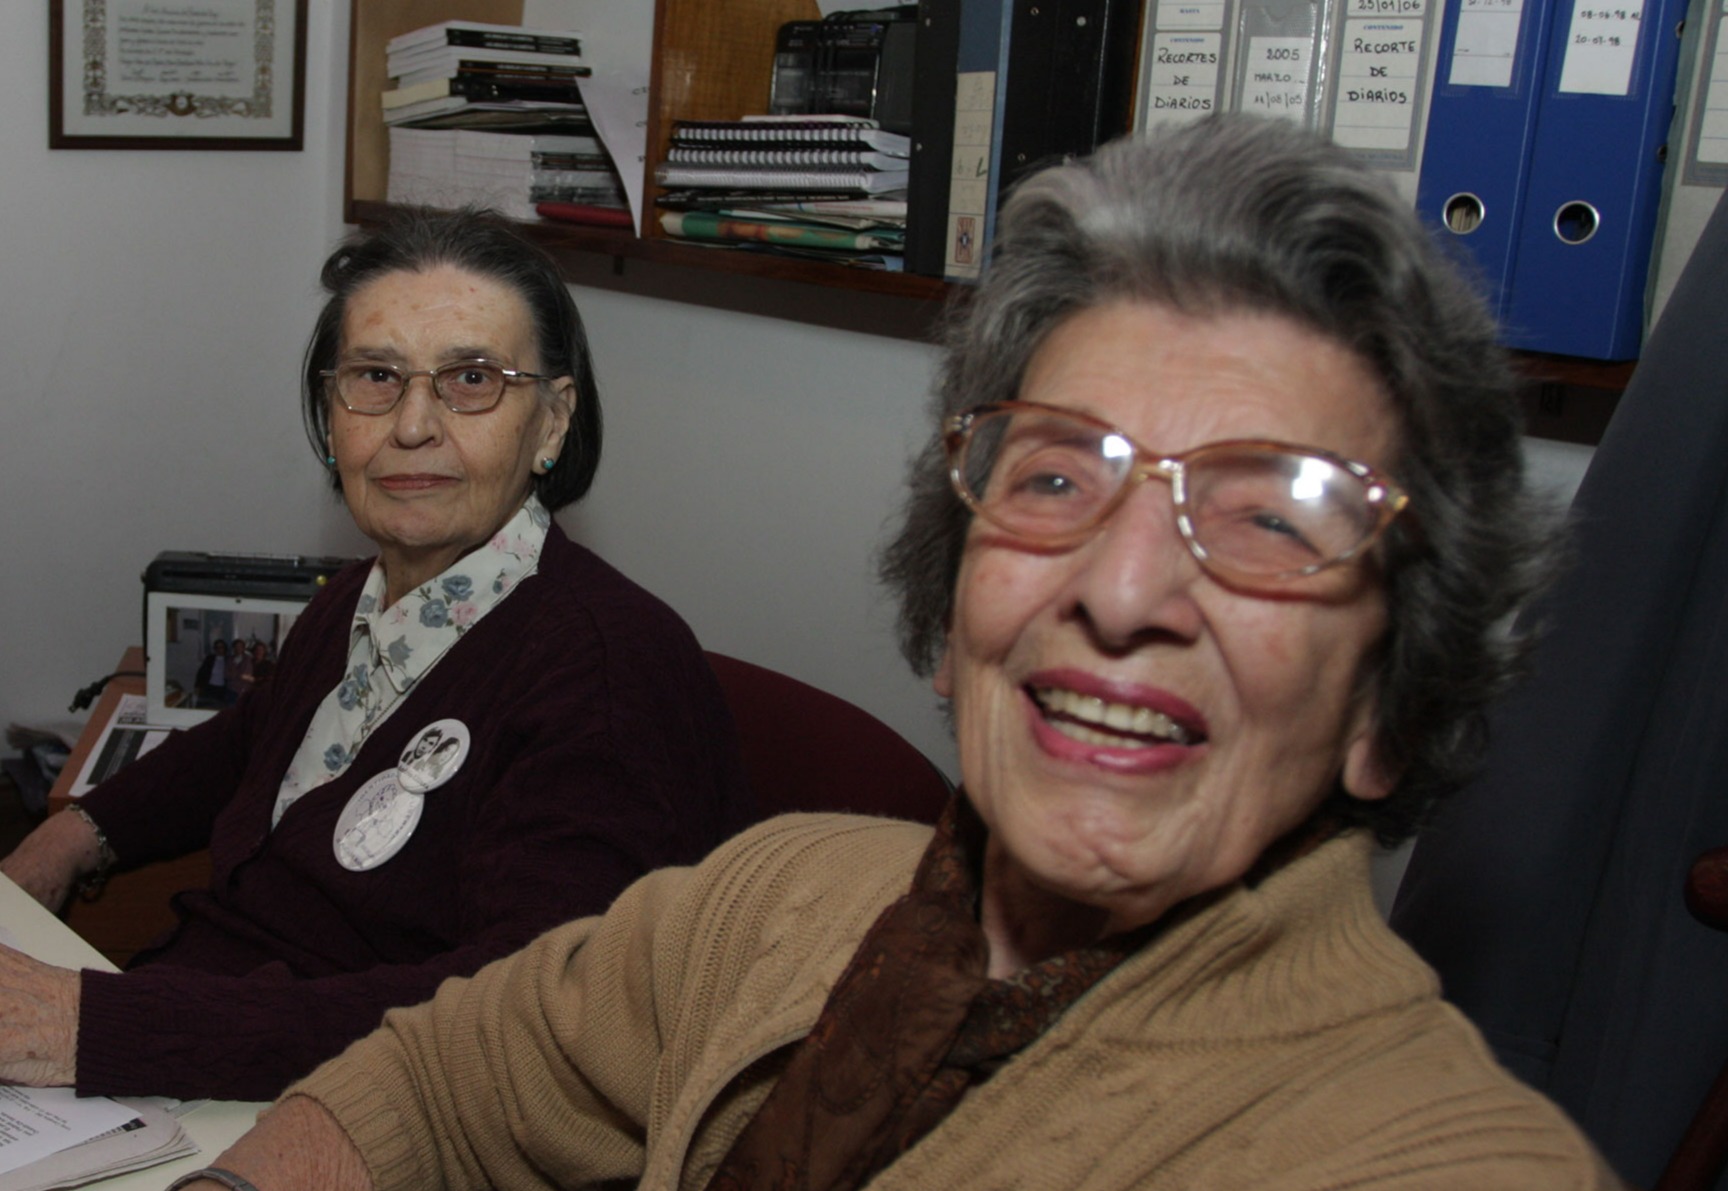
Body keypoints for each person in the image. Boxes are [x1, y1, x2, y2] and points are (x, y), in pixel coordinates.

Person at [179, 116, 1618, 1189]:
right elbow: (442, 1069)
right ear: (957, 609)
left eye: (1269, 514)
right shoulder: (777, 893)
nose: (1121, 586)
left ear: (1391, 697)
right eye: (1057, 478)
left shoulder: (1426, 1158)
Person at [0, 208, 750, 1103]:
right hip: (204, 1043)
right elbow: (248, 742)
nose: (412, 425)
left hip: (356, 1114)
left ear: (551, 423)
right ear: (331, 411)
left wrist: (96, 1026)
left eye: (472, 378)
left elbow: (523, 1021)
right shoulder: (361, 598)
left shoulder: (607, 671)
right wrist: (65, 841)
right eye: (376, 376)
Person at [193, 639, 228, 709]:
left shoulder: (228, 659)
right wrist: (197, 686)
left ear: (225, 648)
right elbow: (201, 672)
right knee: (204, 708)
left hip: (222, 689)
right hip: (209, 688)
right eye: (217, 647)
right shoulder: (210, 658)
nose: (219, 649)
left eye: (221, 647)